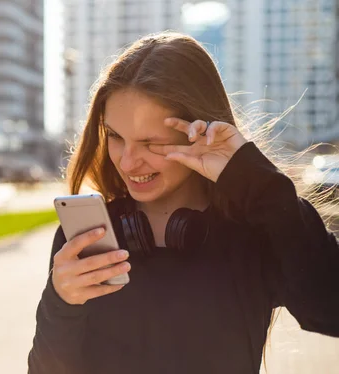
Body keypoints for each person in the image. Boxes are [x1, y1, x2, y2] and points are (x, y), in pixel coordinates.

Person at [27, 32, 339, 374]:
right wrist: (61, 303)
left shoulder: (252, 233)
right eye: (115, 136)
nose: (128, 162)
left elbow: (329, 308)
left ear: (196, 134)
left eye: (150, 143)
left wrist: (258, 182)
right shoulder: (90, 238)